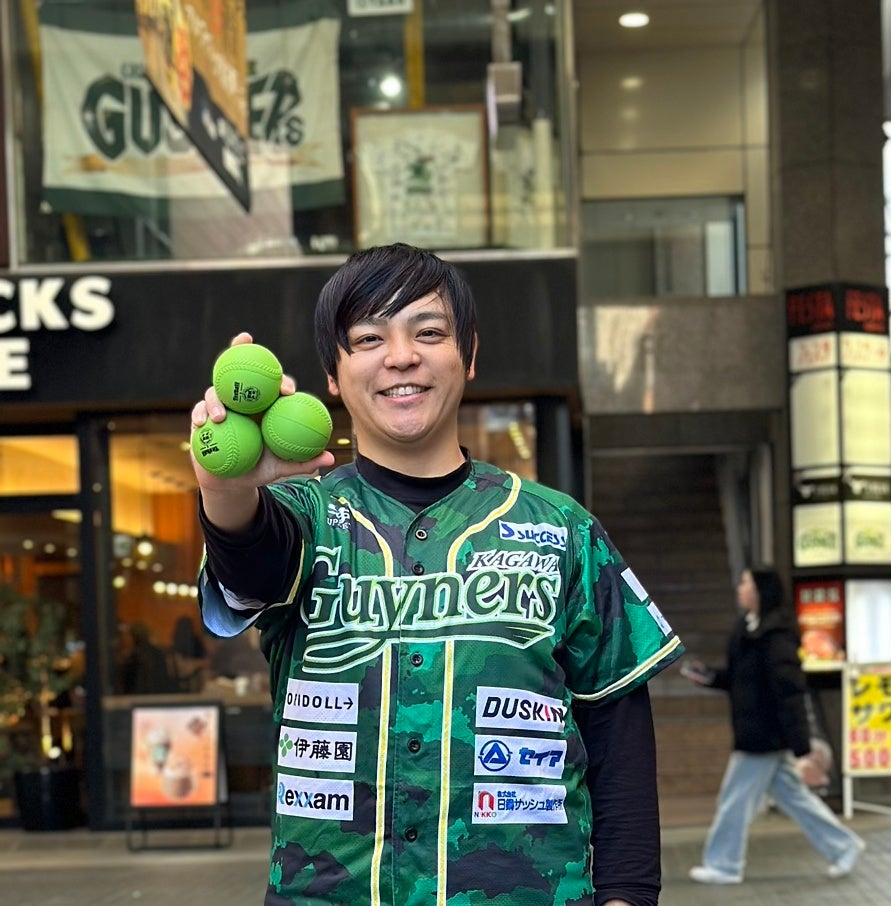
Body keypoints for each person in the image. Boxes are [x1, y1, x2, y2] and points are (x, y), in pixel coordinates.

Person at [190, 243, 683, 906]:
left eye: (428, 332)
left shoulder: (560, 529)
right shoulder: (303, 518)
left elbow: (618, 738)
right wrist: (225, 491)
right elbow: (249, 562)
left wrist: (627, 897)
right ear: (332, 374)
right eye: (369, 338)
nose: (401, 357)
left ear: (468, 354)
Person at [683, 567, 864, 884]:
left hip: (763, 735)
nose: (740, 588)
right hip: (757, 731)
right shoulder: (747, 629)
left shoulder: (776, 635)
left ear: (760, 591)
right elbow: (740, 680)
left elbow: (789, 690)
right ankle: (843, 846)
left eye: (745, 583)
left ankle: (724, 865)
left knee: (734, 799)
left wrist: (802, 743)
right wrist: (710, 677)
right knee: (795, 798)